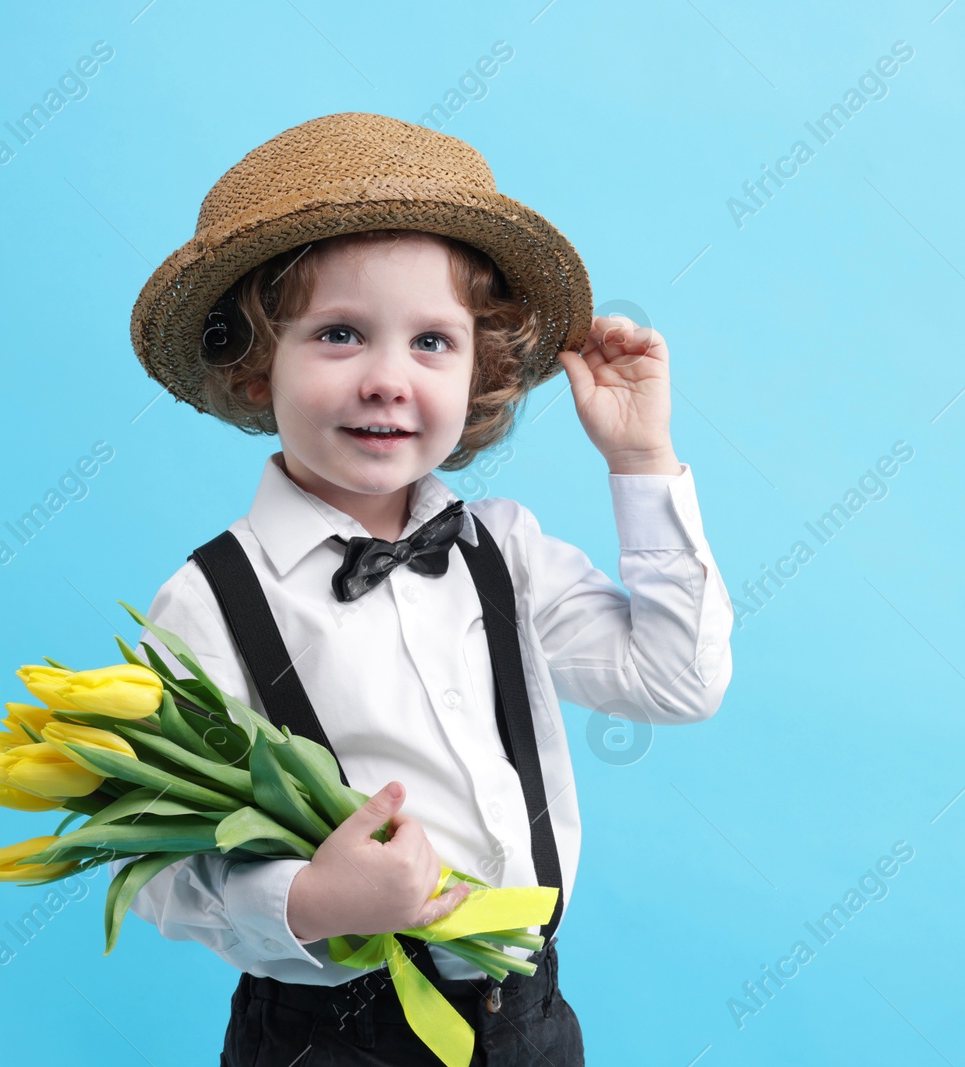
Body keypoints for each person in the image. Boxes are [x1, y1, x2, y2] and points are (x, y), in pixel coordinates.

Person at [112, 111, 735, 1065]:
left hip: (528, 1017)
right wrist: (311, 901)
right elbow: (154, 864)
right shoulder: (207, 603)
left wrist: (642, 460)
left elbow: (677, 681)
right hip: (329, 1037)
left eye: (432, 343)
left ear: (481, 367)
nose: (387, 380)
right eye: (340, 334)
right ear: (250, 368)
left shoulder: (506, 552)